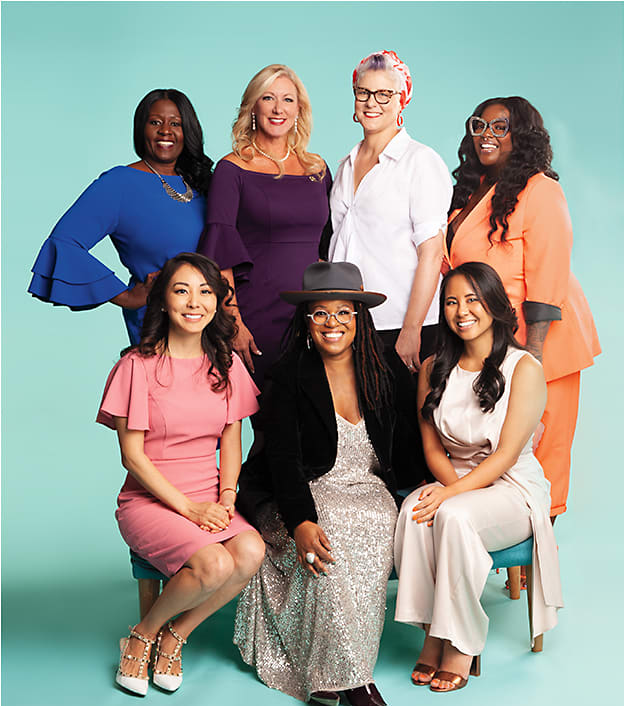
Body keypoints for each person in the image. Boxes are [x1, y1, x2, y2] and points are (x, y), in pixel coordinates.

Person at [234, 262, 412, 706]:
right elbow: (283, 461)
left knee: (373, 528)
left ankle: (342, 668)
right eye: (320, 313)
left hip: (367, 487)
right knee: (329, 537)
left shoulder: (384, 367)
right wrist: (301, 521)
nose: (332, 323)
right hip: (302, 490)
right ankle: (353, 678)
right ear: (306, 321)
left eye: (343, 312)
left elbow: (408, 442)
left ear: (359, 318)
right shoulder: (287, 375)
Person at [96, 253, 265, 695]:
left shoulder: (226, 364)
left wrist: (227, 497)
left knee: (250, 550)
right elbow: (132, 457)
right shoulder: (137, 366)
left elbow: (232, 438)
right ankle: (142, 635)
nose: (195, 302)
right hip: (152, 500)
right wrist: (190, 509)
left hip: (208, 495)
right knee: (213, 562)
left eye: (206, 291)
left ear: (217, 302)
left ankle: (177, 635)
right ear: (163, 301)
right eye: (181, 290)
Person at [394, 262, 563, 693]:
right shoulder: (434, 367)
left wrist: (451, 494)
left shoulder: (522, 367)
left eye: (472, 299)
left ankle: (462, 644)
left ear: (495, 305)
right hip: (457, 476)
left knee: (452, 516)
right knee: (415, 509)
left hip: (513, 488)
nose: (461, 310)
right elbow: (432, 448)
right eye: (451, 301)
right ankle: (433, 629)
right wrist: (451, 488)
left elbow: (506, 455)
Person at [447, 96, 600, 523]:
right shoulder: (472, 192)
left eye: (501, 126)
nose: (487, 135)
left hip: (544, 339)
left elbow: (550, 274)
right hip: (493, 340)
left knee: (546, 445)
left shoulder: (541, 190)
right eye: (480, 125)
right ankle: (502, 531)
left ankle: (540, 551)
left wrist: (532, 355)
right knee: (499, 444)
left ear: (523, 136)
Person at [328, 50, 452, 483]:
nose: (372, 102)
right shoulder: (345, 165)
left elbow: (432, 252)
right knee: (371, 438)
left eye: (385, 94)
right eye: (364, 92)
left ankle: (422, 541)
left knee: (412, 442)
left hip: (402, 323)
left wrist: (412, 329)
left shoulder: (421, 163)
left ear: (403, 100)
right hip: (352, 325)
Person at [29, 89, 213, 345]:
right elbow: (63, 242)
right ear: (141, 129)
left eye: (176, 123)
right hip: (159, 325)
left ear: (188, 131)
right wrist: (125, 296)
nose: (165, 131)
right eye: (155, 122)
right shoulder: (119, 184)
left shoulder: (204, 182)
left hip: (212, 321)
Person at [198, 64, 331, 386]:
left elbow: (331, 244)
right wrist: (233, 324)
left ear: (299, 108)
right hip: (258, 313)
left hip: (316, 315)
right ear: (253, 107)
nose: (277, 108)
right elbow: (219, 253)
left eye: (287, 99)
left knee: (313, 419)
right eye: (268, 98)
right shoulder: (232, 169)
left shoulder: (318, 168)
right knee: (270, 422)